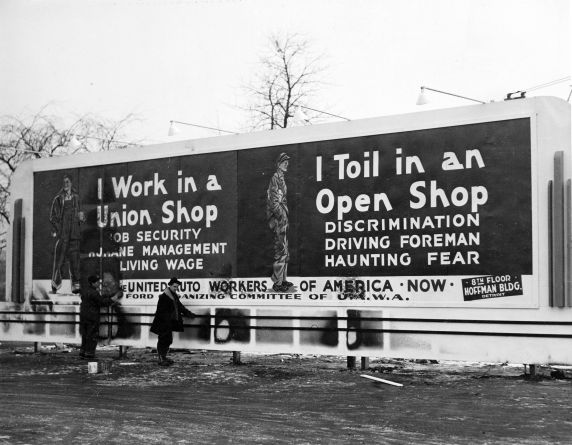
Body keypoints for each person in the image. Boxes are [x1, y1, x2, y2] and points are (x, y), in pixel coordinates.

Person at [49, 174, 85, 294]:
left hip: (74, 234)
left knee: (75, 261)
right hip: (64, 235)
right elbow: (52, 217)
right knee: (60, 260)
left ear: (71, 183)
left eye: (68, 181)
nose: (66, 184)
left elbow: (81, 216)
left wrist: (81, 218)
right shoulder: (58, 199)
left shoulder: (76, 198)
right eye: (64, 182)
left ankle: (76, 285)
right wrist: (59, 230)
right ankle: (55, 284)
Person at [150, 277, 197, 366]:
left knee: (168, 340)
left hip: (169, 323)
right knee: (163, 340)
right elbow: (160, 311)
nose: (176, 288)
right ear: (170, 285)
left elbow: (180, 307)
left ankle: (164, 357)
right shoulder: (164, 297)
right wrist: (165, 323)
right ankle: (161, 359)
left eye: (177, 287)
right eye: (174, 287)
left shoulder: (174, 296)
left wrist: (189, 314)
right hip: (163, 323)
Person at [266, 152, 293, 292]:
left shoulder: (281, 178)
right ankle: (277, 283)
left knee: (285, 249)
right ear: (278, 164)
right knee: (280, 249)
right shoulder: (275, 178)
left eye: (287, 161)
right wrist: (281, 217)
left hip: (283, 218)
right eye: (284, 162)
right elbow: (274, 202)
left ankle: (283, 279)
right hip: (278, 219)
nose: (286, 163)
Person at [79, 275, 119, 359]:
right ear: (93, 283)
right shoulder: (94, 292)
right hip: (92, 317)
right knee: (92, 335)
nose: (98, 283)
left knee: (85, 335)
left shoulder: (85, 291)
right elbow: (101, 302)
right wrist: (112, 299)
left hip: (84, 316)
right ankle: (89, 354)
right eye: (97, 282)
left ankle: (83, 352)